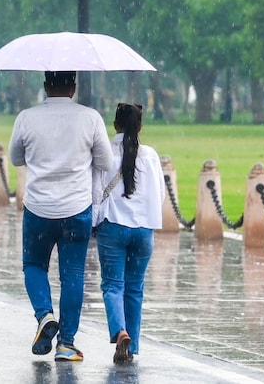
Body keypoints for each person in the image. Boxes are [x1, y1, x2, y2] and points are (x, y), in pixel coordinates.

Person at [9, 71, 114, 361]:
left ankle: (44, 315)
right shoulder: (90, 117)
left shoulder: (26, 117)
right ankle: (66, 343)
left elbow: (16, 158)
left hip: (38, 209)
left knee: (33, 264)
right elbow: (106, 161)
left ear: (46, 86)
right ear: (74, 87)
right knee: (73, 275)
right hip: (76, 209)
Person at [92, 103, 165, 364]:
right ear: (140, 126)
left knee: (113, 285)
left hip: (113, 226)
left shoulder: (105, 154)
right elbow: (161, 194)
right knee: (135, 289)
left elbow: (96, 190)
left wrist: (92, 222)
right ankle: (131, 346)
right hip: (144, 230)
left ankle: (119, 331)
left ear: (115, 125)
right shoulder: (151, 155)